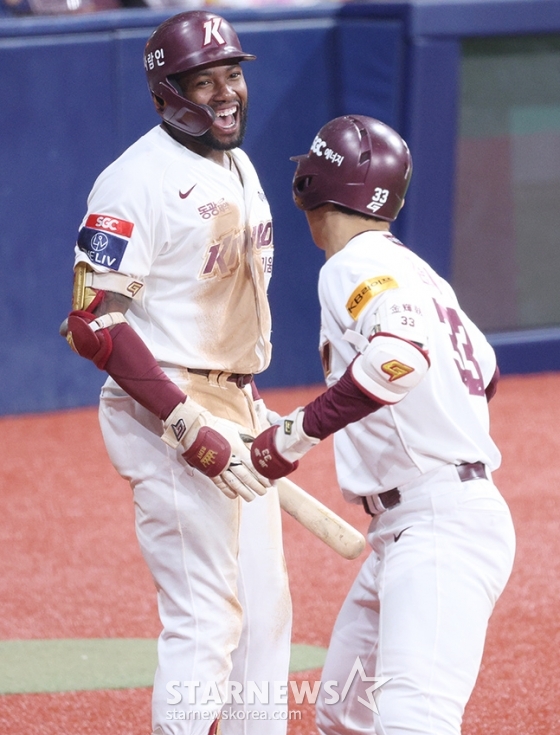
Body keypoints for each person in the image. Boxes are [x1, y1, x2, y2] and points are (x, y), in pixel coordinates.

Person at [60, 11, 291, 735]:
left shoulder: (238, 162)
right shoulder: (133, 181)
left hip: (235, 401)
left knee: (265, 613)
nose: (227, 93)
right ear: (166, 95)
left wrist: (246, 403)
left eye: (234, 73)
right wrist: (188, 427)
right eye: (205, 80)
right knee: (204, 616)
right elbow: (93, 322)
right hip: (165, 411)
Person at [249, 115, 516, 735]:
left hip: (440, 526)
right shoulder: (417, 271)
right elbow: (486, 368)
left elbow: (401, 356)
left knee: (412, 721)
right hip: (414, 522)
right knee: (344, 715)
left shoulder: (351, 265)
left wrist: (292, 437)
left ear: (310, 186)